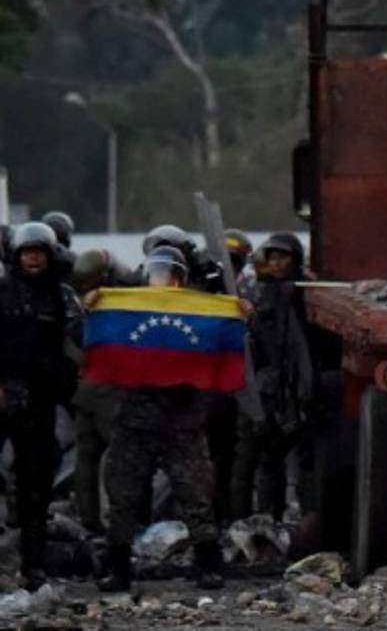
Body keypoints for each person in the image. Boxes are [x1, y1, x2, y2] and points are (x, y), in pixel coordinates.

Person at [95, 246, 233, 592]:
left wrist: (239, 312)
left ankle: (208, 565)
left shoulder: (196, 310)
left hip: (182, 422)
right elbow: (94, 342)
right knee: (123, 496)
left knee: (197, 496)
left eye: (168, 275)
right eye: (157, 274)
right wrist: (92, 307)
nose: (162, 281)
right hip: (135, 422)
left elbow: (225, 339)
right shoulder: (129, 310)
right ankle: (118, 567)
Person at [0, 222, 82, 589]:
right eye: (26, 252)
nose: (33, 258)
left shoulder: (63, 296)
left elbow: (81, 338)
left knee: (37, 487)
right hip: (4, 394)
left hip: (41, 401)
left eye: (39, 252)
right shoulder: (2, 292)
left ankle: (33, 565)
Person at [231, 233, 317, 522]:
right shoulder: (256, 295)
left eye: (283, 257)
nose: (277, 263)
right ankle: (258, 520)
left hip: (300, 389)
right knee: (262, 460)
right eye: (272, 257)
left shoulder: (308, 293)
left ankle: (306, 521)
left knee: (307, 460)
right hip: (266, 389)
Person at [70, 249, 141, 536]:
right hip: (109, 389)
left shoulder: (87, 301)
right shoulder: (122, 299)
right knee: (119, 458)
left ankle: (91, 521)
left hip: (88, 387)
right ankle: (117, 522)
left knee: (87, 457)